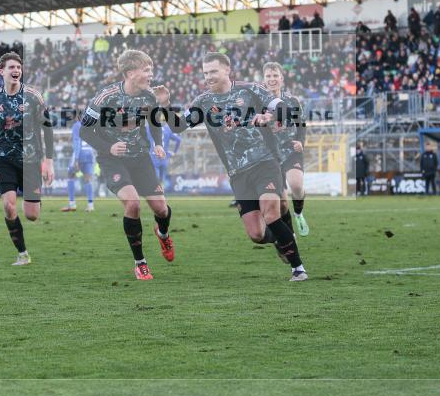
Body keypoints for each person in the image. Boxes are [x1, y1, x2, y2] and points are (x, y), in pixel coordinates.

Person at [157, 52, 308, 282]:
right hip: (238, 174)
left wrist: (269, 117)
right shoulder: (203, 102)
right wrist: (165, 105)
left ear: (227, 69)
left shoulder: (249, 90)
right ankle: (280, 238)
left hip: (265, 162)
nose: (208, 76)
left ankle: (298, 269)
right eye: (205, 72)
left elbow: (283, 107)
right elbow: (178, 126)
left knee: (271, 212)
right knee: (256, 234)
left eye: (213, 71)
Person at [80, 49, 173, 280]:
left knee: (161, 208)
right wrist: (108, 147)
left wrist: (158, 144)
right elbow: (84, 130)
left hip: (140, 158)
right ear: (130, 73)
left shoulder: (149, 97)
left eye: (151, 69)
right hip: (112, 160)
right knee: (132, 204)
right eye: (146, 70)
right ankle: (140, 263)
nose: (151, 74)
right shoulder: (105, 97)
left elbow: (154, 123)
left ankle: (162, 234)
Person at [0, 52, 55, 266]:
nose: (16, 70)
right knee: (8, 206)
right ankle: (22, 253)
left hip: (31, 159)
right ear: (2, 71)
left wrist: (49, 160)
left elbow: (48, 128)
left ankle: (35, 201)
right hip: (4, 157)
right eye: (11, 67)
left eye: (18, 67)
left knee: (32, 215)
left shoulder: (34, 96)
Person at [263, 62, 309, 236]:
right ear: (264, 79)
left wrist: (300, 141)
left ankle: (298, 213)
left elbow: (301, 124)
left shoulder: (292, 101)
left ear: (281, 79)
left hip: (291, 150)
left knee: (296, 186)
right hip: (271, 156)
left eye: (275, 76)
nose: (272, 79)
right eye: (268, 76)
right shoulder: (258, 102)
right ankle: (290, 235)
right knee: (281, 203)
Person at [62, 114, 96, 212]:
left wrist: (76, 159)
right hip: (90, 153)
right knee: (88, 179)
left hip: (80, 153)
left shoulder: (77, 125)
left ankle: (72, 203)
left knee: (70, 175)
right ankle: (90, 205)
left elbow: (77, 141)